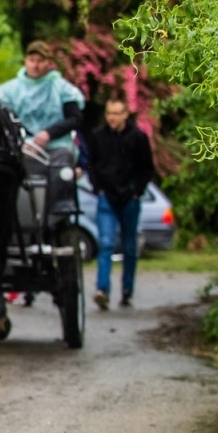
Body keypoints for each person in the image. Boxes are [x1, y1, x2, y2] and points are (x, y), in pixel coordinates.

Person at [88, 97, 156, 310]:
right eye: (109, 113)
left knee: (129, 246)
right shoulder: (98, 137)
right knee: (106, 243)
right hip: (106, 196)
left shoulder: (138, 138)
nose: (112, 118)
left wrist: (137, 191)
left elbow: (147, 167)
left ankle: (127, 290)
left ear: (125, 114)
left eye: (117, 113)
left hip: (129, 197)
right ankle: (102, 289)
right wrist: (98, 188)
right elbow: (91, 164)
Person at [0, 41, 85, 157]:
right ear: (25, 61)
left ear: (49, 62)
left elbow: (75, 118)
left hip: (58, 146)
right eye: (32, 60)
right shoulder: (9, 90)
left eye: (40, 61)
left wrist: (49, 134)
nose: (35, 65)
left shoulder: (62, 88)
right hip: (23, 147)